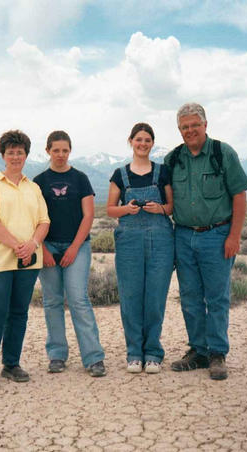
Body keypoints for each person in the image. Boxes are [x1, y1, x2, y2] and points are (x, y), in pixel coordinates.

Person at [165, 102, 247, 380]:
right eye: (184, 127)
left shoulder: (222, 153)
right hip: (183, 235)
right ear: (179, 130)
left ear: (205, 125)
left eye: (194, 125)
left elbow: (239, 195)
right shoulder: (173, 159)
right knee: (189, 297)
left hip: (216, 235)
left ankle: (217, 353)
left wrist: (234, 236)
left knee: (216, 297)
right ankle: (198, 351)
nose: (190, 130)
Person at [0, 129, 50, 390]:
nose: (15, 156)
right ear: (3, 155)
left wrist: (32, 245)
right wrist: (18, 245)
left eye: (20, 152)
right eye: (11, 152)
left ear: (26, 155)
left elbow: (43, 221)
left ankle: (11, 364)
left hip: (27, 262)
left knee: (18, 313)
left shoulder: (34, 187)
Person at [33, 130, 107, 377]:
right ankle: (56, 355)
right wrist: (42, 249)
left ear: (70, 151)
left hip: (78, 245)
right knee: (52, 301)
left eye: (65, 150)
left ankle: (93, 358)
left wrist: (75, 247)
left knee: (78, 299)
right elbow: (33, 218)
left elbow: (88, 215)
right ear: (48, 151)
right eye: (56, 150)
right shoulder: (39, 182)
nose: (61, 155)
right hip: (48, 247)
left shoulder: (80, 179)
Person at [107, 123, 174, 374]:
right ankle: (134, 352)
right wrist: (128, 209)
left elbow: (172, 206)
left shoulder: (162, 172)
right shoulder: (119, 174)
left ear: (152, 143)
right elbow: (110, 209)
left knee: (155, 297)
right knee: (131, 296)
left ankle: (154, 352)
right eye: (138, 139)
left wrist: (161, 209)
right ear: (131, 141)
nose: (143, 144)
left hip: (161, 240)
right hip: (129, 242)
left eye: (147, 140)